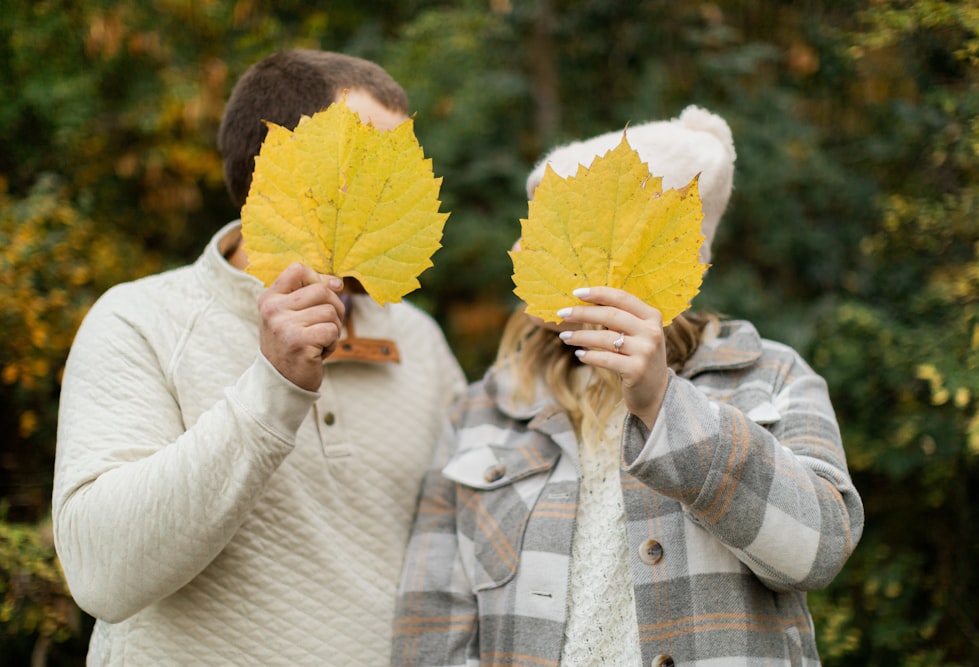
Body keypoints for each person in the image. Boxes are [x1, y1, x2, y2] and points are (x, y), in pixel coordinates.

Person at [392, 106, 864, 666]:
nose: (521, 252)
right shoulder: (480, 412)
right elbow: (429, 634)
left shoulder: (770, 375)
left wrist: (665, 405)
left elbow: (820, 550)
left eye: (554, 231)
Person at [52, 48, 466, 665]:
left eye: (405, 163)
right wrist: (272, 388)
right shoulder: (140, 320)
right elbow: (100, 576)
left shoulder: (419, 339)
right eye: (374, 162)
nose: (399, 188)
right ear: (277, 169)